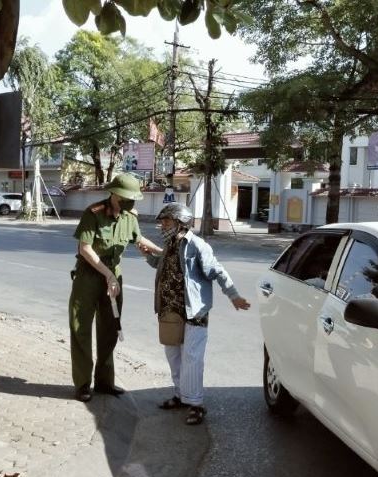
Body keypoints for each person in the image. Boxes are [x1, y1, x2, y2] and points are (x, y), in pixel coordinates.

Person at [142, 203, 250, 425]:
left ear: (181, 222)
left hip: (194, 310)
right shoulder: (169, 244)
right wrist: (147, 255)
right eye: (162, 221)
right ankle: (181, 395)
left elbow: (217, 271)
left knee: (192, 357)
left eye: (167, 221)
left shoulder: (198, 245)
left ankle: (196, 404)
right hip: (169, 308)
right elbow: (163, 266)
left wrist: (234, 296)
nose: (163, 225)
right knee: (173, 354)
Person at [69, 173, 161, 402]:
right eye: (127, 198)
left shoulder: (130, 217)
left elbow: (139, 240)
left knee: (110, 328)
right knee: (81, 328)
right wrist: (108, 274)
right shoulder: (94, 213)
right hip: (89, 275)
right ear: (114, 194)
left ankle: (104, 382)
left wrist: (164, 252)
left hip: (113, 276)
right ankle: (82, 384)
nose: (131, 202)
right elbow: (85, 249)